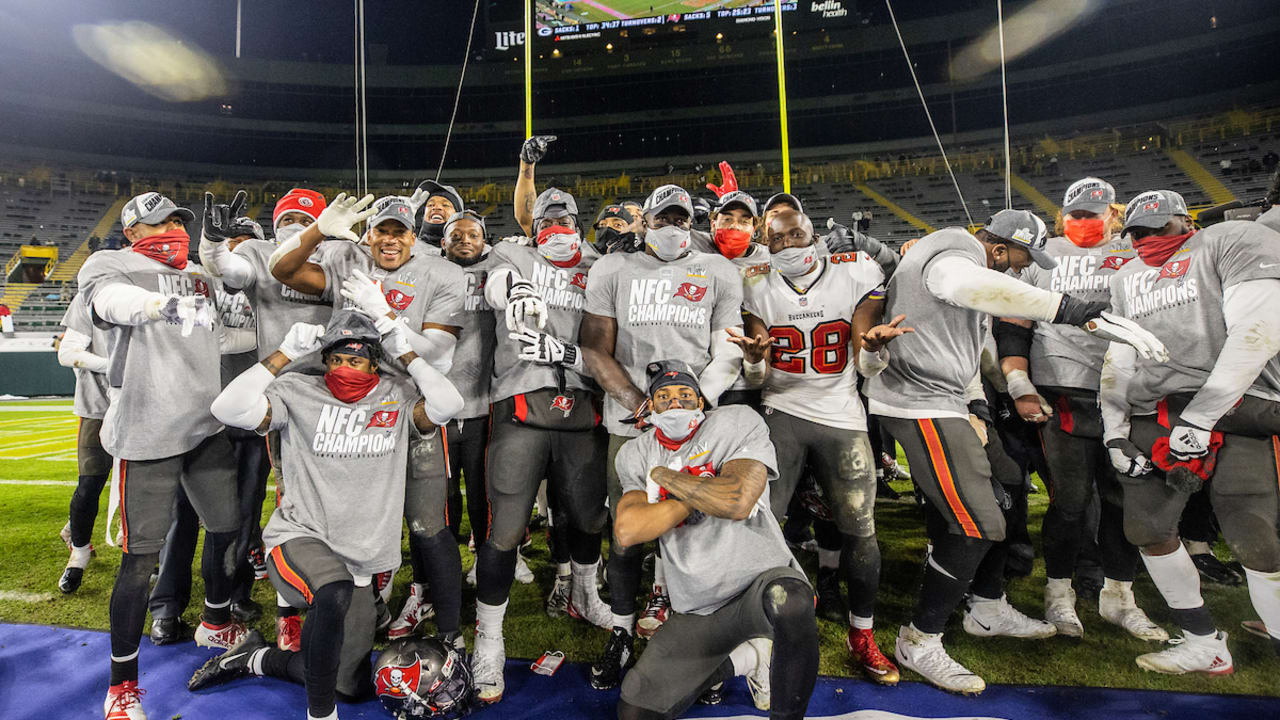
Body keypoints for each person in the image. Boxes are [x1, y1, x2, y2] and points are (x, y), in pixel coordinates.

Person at [865, 209, 1167, 694]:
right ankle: (919, 638)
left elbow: (967, 347)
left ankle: (985, 606)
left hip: (952, 401)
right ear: (1000, 248)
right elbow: (959, 285)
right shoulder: (953, 251)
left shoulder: (973, 264)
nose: (1021, 269)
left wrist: (979, 406)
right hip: (919, 402)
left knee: (1008, 491)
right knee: (976, 523)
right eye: (1023, 257)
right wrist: (1069, 309)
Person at [192, 311, 464, 720]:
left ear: (374, 362)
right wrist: (283, 353)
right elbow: (226, 407)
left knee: (345, 683)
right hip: (299, 538)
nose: (343, 368)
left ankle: (252, 658)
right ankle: (320, 715)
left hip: (360, 559)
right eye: (335, 359)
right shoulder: (297, 391)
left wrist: (404, 351)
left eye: (355, 360)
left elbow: (449, 403)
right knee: (332, 591)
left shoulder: (398, 393)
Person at [271, 194, 468, 649]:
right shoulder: (346, 259)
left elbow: (438, 353)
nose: (390, 240)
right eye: (382, 230)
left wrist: (385, 314)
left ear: (414, 235)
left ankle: (452, 634)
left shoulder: (443, 273)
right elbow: (281, 271)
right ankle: (349, 604)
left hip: (406, 406)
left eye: (400, 231)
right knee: (333, 517)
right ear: (369, 233)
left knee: (427, 524)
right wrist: (318, 229)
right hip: (341, 406)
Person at [79, 192, 247, 720]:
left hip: (203, 425)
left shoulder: (199, 274)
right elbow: (107, 304)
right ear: (131, 231)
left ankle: (215, 619)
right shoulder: (111, 263)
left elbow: (218, 334)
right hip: (147, 431)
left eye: (178, 220)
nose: (172, 228)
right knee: (138, 562)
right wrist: (153, 305)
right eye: (159, 222)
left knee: (227, 526)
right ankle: (122, 685)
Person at [1101, 189, 1280, 673]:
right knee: (1146, 527)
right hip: (1159, 410)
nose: (1147, 238)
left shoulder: (1232, 240)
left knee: (1255, 535)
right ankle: (1202, 639)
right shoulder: (1126, 277)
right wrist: (1113, 430)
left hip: (1239, 405)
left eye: (1159, 227)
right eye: (1136, 231)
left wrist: (1203, 416)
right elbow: (1120, 356)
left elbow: (1258, 330)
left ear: (1184, 221)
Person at [581, 184, 745, 690]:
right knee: (628, 530)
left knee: (697, 530)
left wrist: (695, 404)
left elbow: (728, 348)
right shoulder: (611, 269)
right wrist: (639, 404)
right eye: (663, 218)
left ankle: (690, 636)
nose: (673, 226)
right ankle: (623, 632)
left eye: (682, 218)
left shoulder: (718, 268)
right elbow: (593, 348)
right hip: (631, 424)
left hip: (698, 423)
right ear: (645, 222)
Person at [734, 207, 905, 684]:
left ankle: (862, 635)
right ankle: (759, 629)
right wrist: (751, 363)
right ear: (766, 246)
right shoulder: (754, 283)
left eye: (796, 235)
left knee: (860, 529)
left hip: (841, 411)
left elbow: (866, 366)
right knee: (761, 523)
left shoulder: (857, 271)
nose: (788, 245)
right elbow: (758, 373)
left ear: (815, 235)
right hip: (780, 409)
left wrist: (871, 349)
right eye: (777, 240)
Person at [995, 177, 1166, 641]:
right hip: (1061, 391)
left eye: (1095, 214)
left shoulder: (1135, 255)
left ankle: (1119, 596)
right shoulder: (1042, 256)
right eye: (1077, 215)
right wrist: (1019, 382)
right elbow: (1013, 326)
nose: (1085, 223)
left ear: (1114, 213)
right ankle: (1059, 592)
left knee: (1121, 499)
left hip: (1127, 393)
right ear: (1062, 216)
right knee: (1070, 503)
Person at [470, 186, 613, 704]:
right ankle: (489, 638)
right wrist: (513, 291)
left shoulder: (599, 263)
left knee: (589, 516)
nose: (555, 223)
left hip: (583, 402)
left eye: (563, 215)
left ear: (579, 220)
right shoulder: (514, 252)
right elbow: (496, 282)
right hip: (521, 403)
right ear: (533, 223)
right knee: (505, 528)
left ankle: (584, 592)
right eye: (545, 216)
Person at [613, 360, 817, 720]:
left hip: (757, 585)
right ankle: (753, 657)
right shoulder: (635, 453)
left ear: (701, 403)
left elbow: (736, 500)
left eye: (685, 395)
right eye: (663, 396)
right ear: (651, 408)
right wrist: (701, 490)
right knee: (635, 710)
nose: (675, 403)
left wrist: (664, 477)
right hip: (698, 606)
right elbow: (629, 529)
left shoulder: (735, 421)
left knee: (791, 600)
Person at [199, 187, 334, 651]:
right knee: (292, 505)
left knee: (348, 501)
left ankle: (356, 590)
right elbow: (228, 269)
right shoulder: (258, 252)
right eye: (286, 217)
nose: (293, 224)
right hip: (286, 396)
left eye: (303, 217)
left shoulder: (339, 252)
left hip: (348, 392)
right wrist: (213, 243)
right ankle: (287, 607)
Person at [55, 289, 114, 594]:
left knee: (146, 488)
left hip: (146, 407)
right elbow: (67, 353)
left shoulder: (156, 290)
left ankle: (149, 557)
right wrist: (114, 367)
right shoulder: (89, 298)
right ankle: (78, 554)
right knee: (90, 483)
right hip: (98, 407)